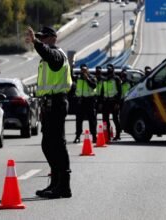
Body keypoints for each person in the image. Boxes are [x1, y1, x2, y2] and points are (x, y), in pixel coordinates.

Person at [25, 26, 72, 199]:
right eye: (39, 38)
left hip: (57, 104)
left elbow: (50, 55)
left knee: (57, 145)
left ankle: (64, 186)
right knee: (48, 145)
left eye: (44, 38)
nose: (42, 40)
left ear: (53, 38)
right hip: (49, 105)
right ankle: (55, 183)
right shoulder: (47, 57)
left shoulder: (57, 55)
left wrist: (36, 43)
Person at [73, 63, 97, 143]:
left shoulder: (92, 77)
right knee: (79, 120)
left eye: (85, 70)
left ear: (87, 70)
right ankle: (78, 136)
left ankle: (94, 136)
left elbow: (94, 86)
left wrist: (87, 79)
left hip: (90, 101)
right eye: (82, 70)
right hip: (81, 101)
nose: (83, 71)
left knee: (92, 119)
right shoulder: (78, 78)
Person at [100, 64, 122, 141]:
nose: (109, 70)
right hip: (106, 102)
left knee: (115, 118)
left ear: (113, 70)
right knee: (105, 120)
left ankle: (118, 135)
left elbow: (120, 92)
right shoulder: (105, 79)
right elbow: (102, 92)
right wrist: (101, 102)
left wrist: (117, 103)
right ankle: (107, 135)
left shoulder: (116, 78)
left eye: (110, 68)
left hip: (114, 101)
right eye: (108, 68)